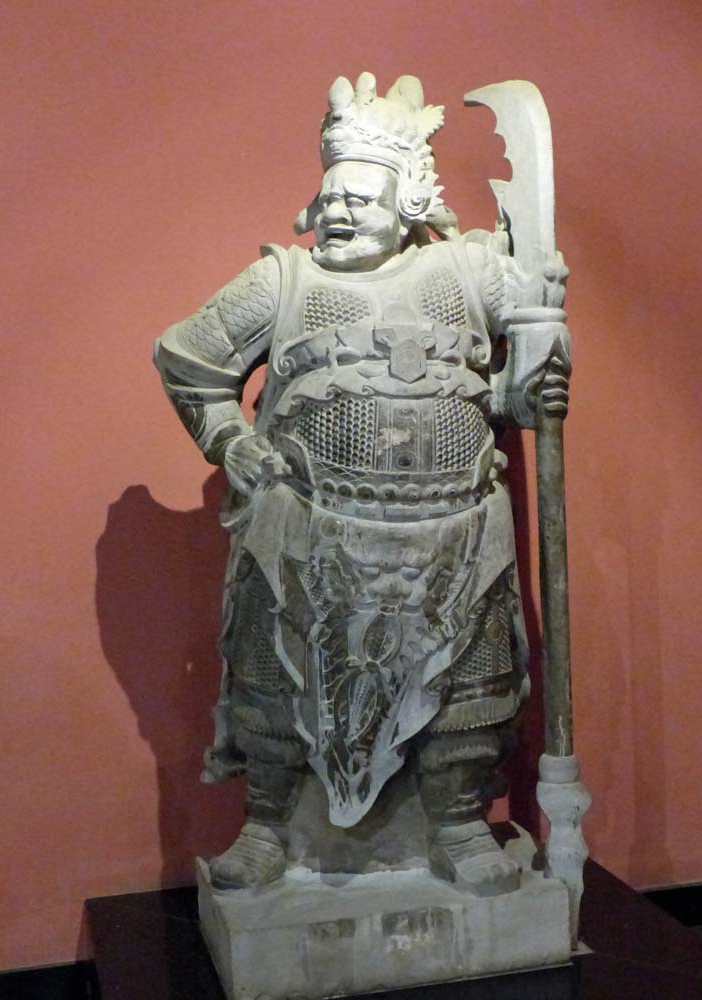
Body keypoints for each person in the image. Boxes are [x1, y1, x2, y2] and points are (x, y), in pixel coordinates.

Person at [154, 72, 570, 895]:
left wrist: (537, 380)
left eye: (362, 200)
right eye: (332, 197)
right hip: (308, 530)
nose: (340, 213)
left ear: (407, 203)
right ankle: (268, 826)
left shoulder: (467, 272)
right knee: (275, 676)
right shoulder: (283, 282)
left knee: (471, 684)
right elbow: (187, 358)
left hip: (456, 530)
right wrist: (229, 440)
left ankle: (458, 825)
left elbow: (528, 364)